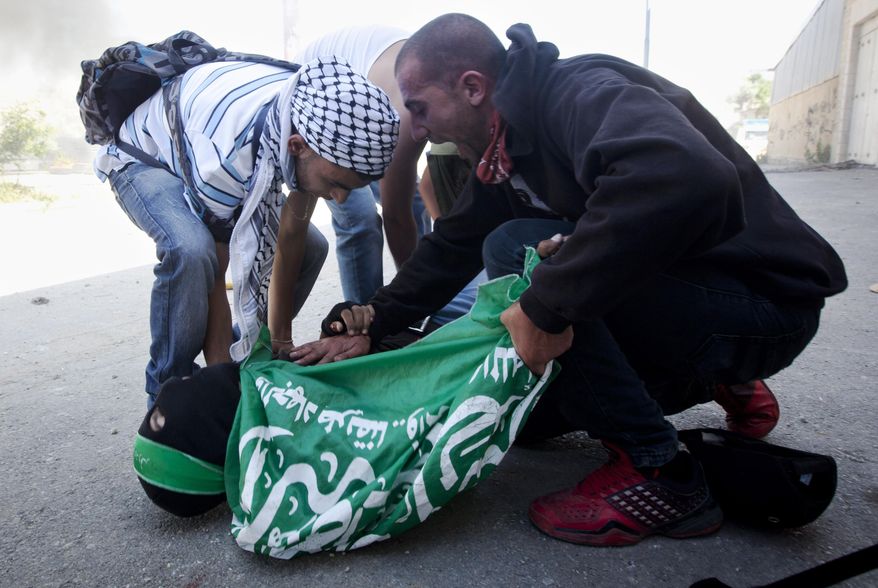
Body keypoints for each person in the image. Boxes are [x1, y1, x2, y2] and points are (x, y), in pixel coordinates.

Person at [290, 13, 848, 547]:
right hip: (699, 295)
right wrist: (375, 320)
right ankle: (707, 377)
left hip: (764, 303)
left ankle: (662, 472)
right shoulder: (504, 145)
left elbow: (690, 175)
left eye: (418, 107)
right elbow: (451, 245)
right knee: (527, 419)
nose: (415, 127)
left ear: (472, 87)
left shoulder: (576, 93)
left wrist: (545, 306)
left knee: (514, 250)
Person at [94, 56, 399, 407]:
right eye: (335, 184)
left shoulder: (308, 125)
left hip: (197, 145)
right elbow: (216, 282)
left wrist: (280, 341)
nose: (340, 197)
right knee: (192, 250)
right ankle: (167, 390)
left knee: (314, 249)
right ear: (297, 147)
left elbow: (293, 237)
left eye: (350, 187)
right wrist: (230, 394)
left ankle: (250, 352)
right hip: (144, 157)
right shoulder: (230, 154)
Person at [295, 26, 429, 304]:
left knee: (414, 201)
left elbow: (413, 199)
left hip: (361, 107)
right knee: (360, 220)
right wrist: (414, 301)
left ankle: (422, 295)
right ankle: (363, 320)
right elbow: (395, 216)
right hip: (319, 108)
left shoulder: (435, 89)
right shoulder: (406, 115)